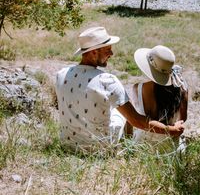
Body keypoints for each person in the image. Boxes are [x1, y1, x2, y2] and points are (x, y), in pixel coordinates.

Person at [55, 26, 185, 151]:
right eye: (108, 50)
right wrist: (170, 130)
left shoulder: (61, 75)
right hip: (97, 149)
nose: (112, 53)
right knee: (122, 113)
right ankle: (127, 147)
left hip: (67, 144)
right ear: (94, 52)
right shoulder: (107, 81)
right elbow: (137, 121)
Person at [130, 45, 188, 146]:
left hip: (143, 145)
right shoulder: (181, 87)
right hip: (170, 145)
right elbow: (183, 118)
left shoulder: (137, 89)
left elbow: (134, 119)